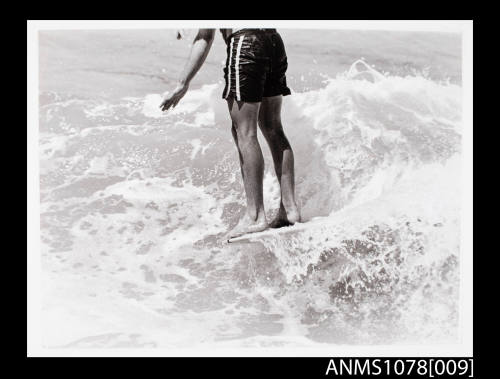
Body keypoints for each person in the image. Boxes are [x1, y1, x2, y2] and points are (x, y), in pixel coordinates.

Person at [160, 28, 300, 239]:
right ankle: (289, 209)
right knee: (273, 127)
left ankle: (254, 217)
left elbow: (205, 37)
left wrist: (182, 83)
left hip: (246, 43)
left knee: (244, 132)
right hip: (273, 41)